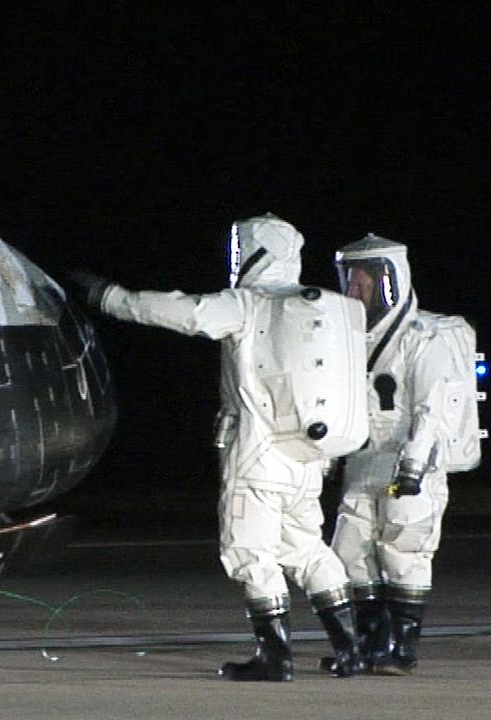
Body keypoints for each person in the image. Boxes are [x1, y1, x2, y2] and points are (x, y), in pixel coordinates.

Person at [69, 214, 366, 680]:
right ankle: (351, 649)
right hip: (307, 460)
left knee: (248, 552)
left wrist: (110, 297)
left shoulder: (249, 304)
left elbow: (185, 312)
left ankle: (274, 657)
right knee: (307, 549)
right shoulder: (311, 309)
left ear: (253, 252)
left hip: (256, 457)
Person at [329, 234, 477, 674]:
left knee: (403, 550)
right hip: (363, 459)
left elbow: (433, 406)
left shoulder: (424, 337)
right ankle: (372, 642)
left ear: (387, 280)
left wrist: (413, 467)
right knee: (350, 549)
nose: (353, 290)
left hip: (411, 461)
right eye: (349, 280)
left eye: (362, 282)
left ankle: (402, 647)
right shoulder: (353, 338)